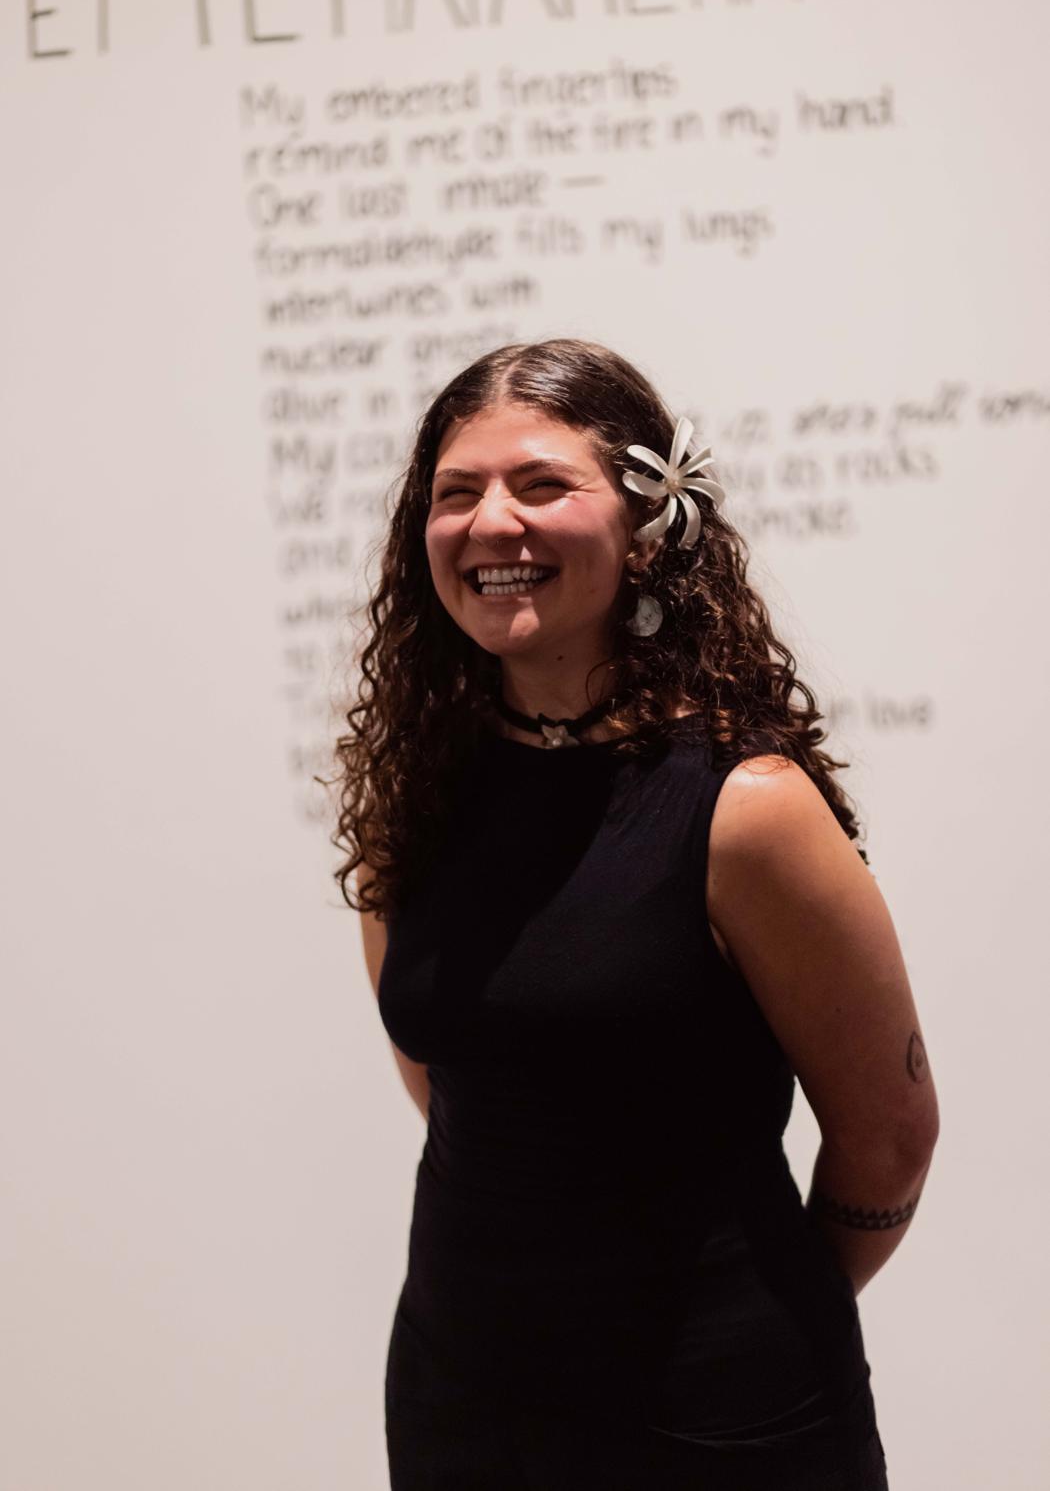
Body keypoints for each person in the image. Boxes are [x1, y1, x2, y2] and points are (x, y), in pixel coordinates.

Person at [331, 338, 939, 1490]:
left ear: (650, 519)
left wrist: (747, 1309)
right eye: (455, 492)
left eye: (542, 484)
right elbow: (452, 1078)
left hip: (720, 1416)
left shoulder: (745, 808)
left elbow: (891, 1131)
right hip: (465, 1402)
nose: (491, 523)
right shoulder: (415, 784)